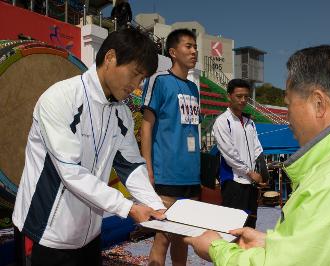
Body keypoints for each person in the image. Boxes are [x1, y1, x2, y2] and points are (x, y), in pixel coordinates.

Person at [185, 45, 330, 265]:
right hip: (237, 178)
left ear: (318, 104)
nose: (288, 118)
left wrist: (216, 249)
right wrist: (273, 243)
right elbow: (323, 246)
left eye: (288, 105)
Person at [12, 28, 166, 266]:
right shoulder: (60, 98)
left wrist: (155, 206)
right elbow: (70, 171)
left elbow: (131, 165)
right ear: (110, 57)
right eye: (135, 74)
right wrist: (127, 207)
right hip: (45, 231)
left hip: (89, 234)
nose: (136, 85)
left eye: (142, 79)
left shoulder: (122, 113)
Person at [141, 28, 200, 266]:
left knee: (182, 238)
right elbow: (146, 126)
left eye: (195, 46)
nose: (194, 51)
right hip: (166, 174)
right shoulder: (159, 81)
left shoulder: (194, 88)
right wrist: (148, 167)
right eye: (189, 46)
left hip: (191, 176)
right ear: (173, 52)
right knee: (163, 237)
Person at [212, 78, 264, 228]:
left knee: (250, 225)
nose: (243, 100)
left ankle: (247, 252)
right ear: (229, 96)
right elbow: (229, 154)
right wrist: (249, 172)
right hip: (233, 181)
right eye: (239, 96)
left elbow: (257, 148)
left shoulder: (250, 122)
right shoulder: (222, 121)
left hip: (251, 181)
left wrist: (261, 170)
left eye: (246, 97)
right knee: (233, 227)